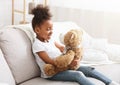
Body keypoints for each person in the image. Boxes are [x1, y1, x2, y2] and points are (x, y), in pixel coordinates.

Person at [32, 5, 119, 85]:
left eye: (52, 28)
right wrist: (68, 63)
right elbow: (50, 62)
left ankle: (110, 82)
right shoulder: (38, 45)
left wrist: (73, 56)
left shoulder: (50, 39)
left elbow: (63, 48)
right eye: (48, 29)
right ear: (37, 30)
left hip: (65, 66)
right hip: (53, 73)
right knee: (78, 74)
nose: (51, 32)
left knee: (89, 69)